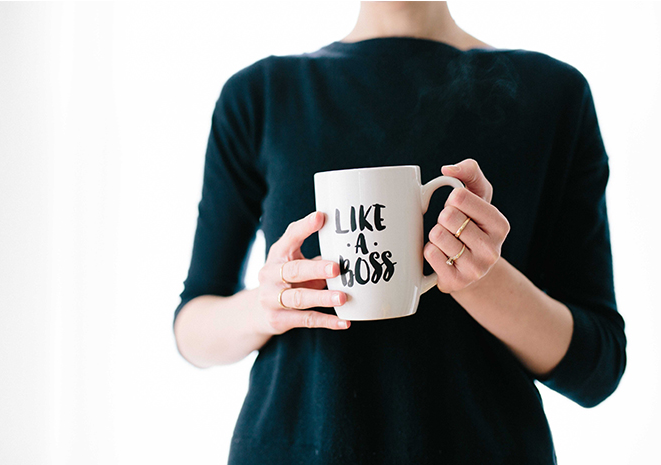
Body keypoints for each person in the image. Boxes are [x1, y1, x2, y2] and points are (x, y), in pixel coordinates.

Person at [172, 2, 627, 463]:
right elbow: (191, 328)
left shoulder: (553, 95)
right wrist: (265, 306)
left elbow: (597, 368)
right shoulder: (260, 95)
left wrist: (482, 280)